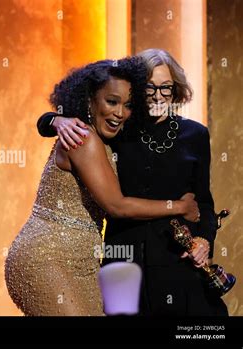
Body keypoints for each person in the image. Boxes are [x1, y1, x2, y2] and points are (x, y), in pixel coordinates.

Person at [36, 49, 228, 316]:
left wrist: (205, 240)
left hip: (177, 262)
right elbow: (77, 117)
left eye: (166, 87)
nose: (159, 95)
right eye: (150, 87)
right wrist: (55, 120)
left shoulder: (195, 134)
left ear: (177, 89)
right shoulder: (118, 128)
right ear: (137, 90)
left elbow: (204, 202)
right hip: (123, 261)